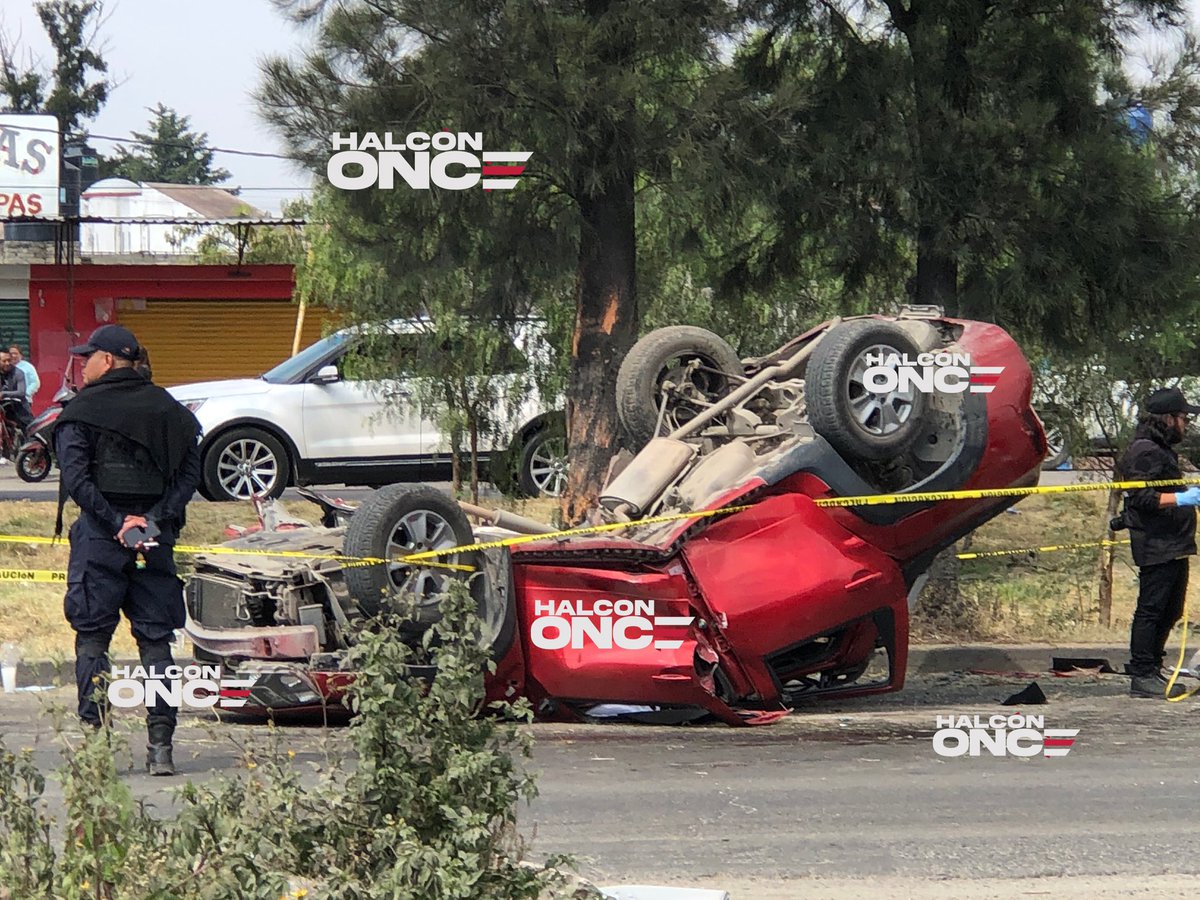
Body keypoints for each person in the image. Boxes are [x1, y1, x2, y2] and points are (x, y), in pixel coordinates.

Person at [54, 325, 201, 775]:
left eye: (88, 357)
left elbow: (76, 478)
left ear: (107, 360)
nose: (83, 365)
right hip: (154, 539)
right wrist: (151, 521)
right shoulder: (169, 409)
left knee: (93, 639)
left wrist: (116, 522)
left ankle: (97, 744)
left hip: (101, 539)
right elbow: (189, 475)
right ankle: (161, 747)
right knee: (156, 642)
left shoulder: (81, 411)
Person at [1118, 387, 1200, 699]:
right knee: (1151, 609)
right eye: (1183, 419)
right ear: (1168, 419)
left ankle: (1153, 666)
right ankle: (1142, 674)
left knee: (1171, 609)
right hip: (1156, 543)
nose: (1186, 425)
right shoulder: (1145, 450)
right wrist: (1182, 498)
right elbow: (1141, 497)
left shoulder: (1161, 448)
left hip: (1174, 542)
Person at [0, 349, 32, 434]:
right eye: (4, 361)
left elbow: (21, 392)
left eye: (9, 360)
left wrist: (3, 394)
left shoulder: (18, 373)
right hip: (2, 407)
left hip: (18, 408)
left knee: (28, 430)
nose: (7, 363)